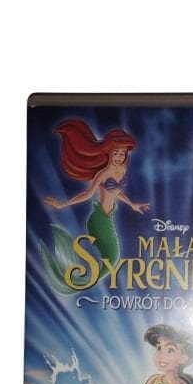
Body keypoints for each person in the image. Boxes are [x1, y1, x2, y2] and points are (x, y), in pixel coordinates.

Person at [42, 120, 150, 293]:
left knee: (111, 258)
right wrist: (63, 204)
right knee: (113, 257)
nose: (119, 157)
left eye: (122, 153)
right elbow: (88, 194)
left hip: (107, 216)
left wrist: (132, 204)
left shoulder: (122, 169)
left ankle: (77, 283)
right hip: (100, 219)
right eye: (115, 153)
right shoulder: (103, 173)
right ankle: (78, 282)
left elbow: (116, 192)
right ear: (108, 152)